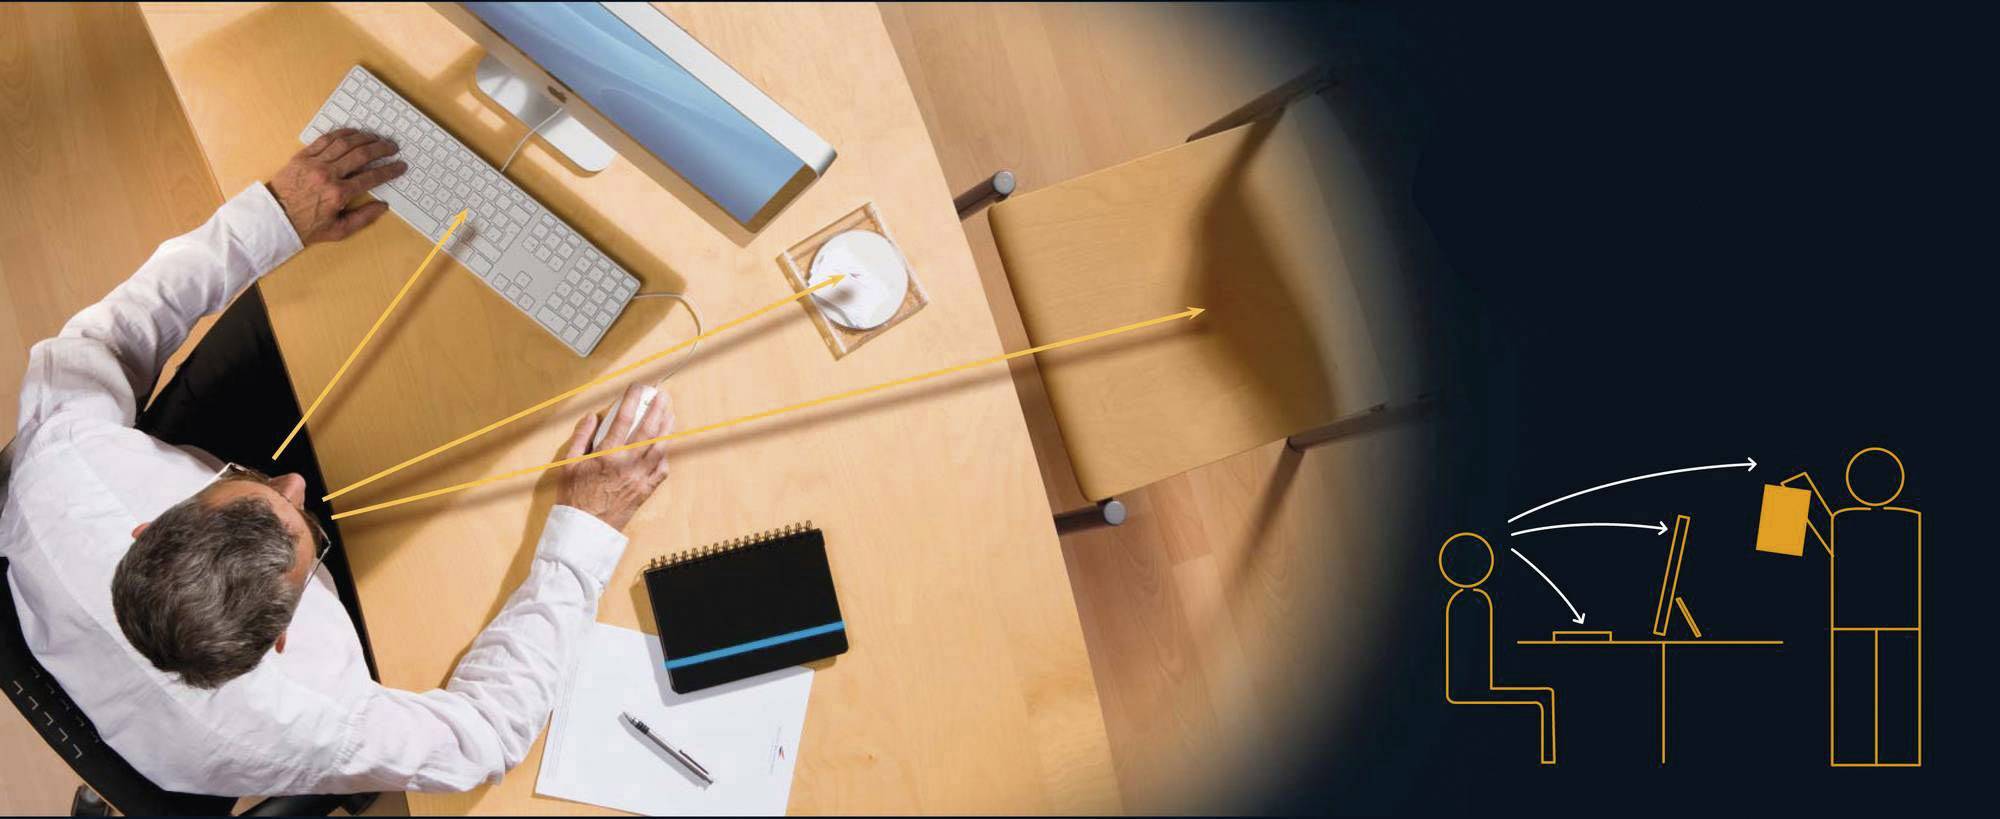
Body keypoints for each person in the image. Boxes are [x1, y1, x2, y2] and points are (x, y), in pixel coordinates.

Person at [0, 128, 675, 795]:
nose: (295, 484)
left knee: (333, 308)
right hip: (217, 728)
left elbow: (110, 335)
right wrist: (586, 528)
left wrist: (271, 219)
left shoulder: (62, 472)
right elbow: (487, 735)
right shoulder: (311, 722)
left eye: (246, 484)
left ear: (146, 526)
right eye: (303, 527)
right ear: (284, 636)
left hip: (108, 548)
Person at [1439, 532, 1557, 764]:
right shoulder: (1474, 602)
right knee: (1544, 697)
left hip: (1472, 684)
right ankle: (1545, 758)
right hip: (1472, 688)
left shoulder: (1465, 601)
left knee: (1543, 694)